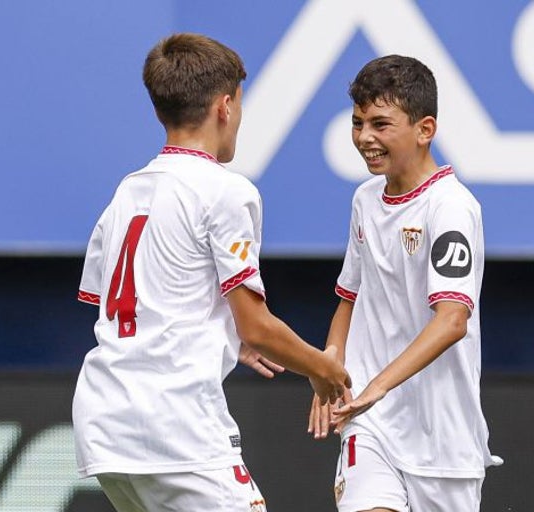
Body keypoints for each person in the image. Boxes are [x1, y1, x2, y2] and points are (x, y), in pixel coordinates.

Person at [73, 32, 350, 512]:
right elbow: (257, 327)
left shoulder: (128, 191)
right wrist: (322, 369)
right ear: (225, 106)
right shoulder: (227, 191)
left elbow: (125, 308)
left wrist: (217, 331)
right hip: (174, 425)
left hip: (104, 423)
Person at [307, 55, 502, 512]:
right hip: (371, 424)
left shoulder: (451, 207)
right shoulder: (364, 199)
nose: (364, 137)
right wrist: (330, 367)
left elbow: (452, 321)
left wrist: (379, 385)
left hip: (443, 439)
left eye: (380, 124)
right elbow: (350, 296)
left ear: (424, 129)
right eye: (357, 123)